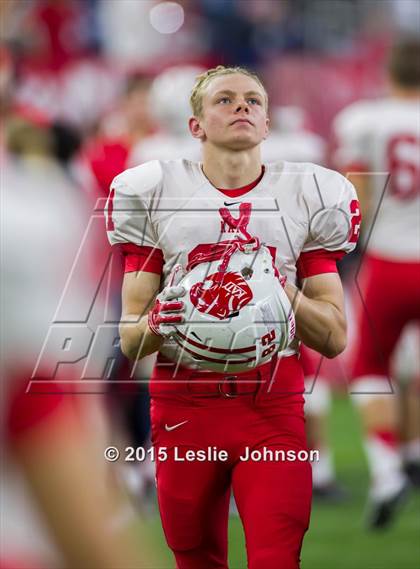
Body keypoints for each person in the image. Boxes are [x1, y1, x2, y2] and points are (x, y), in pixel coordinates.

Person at [105, 65, 360, 568]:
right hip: (184, 401)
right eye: (225, 100)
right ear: (195, 125)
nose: (242, 106)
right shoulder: (153, 191)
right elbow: (132, 339)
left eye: (253, 100)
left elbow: (333, 338)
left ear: (267, 124)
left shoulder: (306, 194)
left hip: (272, 401)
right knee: (195, 557)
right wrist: (160, 321)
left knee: (276, 556)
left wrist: (279, 288)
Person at [332, 37, 420, 529]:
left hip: (388, 260)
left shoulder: (364, 120)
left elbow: (355, 196)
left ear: (389, 74)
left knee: (370, 367)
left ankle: (388, 471)